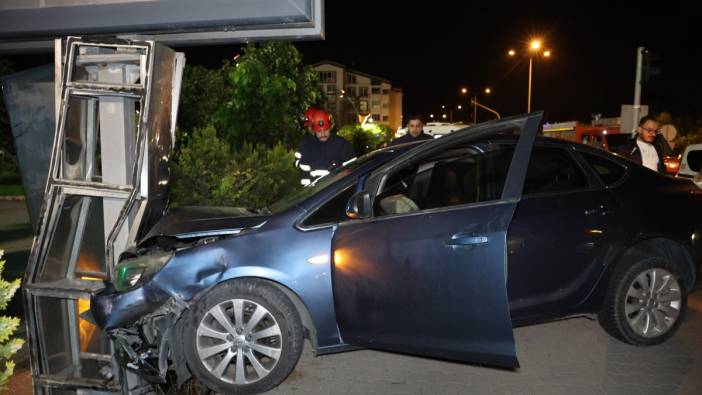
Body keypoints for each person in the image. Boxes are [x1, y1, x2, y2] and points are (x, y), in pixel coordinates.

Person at [295, 108, 356, 186]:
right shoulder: (305, 145)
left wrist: (330, 181)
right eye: (319, 131)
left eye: (325, 129)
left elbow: (351, 171)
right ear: (314, 129)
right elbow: (300, 167)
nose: (322, 133)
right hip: (310, 192)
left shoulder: (342, 145)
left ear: (330, 127)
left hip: (335, 192)